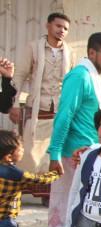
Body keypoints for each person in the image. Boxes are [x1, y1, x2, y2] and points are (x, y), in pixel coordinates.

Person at [43, 32, 101, 227]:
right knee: (62, 208)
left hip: (88, 154)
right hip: (71, 156)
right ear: (92, 52)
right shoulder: (80, 76)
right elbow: (64, 115)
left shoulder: (95, 77)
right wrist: (54, 154)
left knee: (83, 209)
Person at [10, 12, 74, 173]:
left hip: (60, 111)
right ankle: (29, 184)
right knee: (31, 155)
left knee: (54, 156)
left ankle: (50, 189)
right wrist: (15, 104)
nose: (62, 30)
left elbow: (72, 83)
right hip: (37, 110)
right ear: (48, 25)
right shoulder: (33, 47)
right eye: (58, 26)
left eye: (65, 28)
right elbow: (20, 76)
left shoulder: (70, 53)